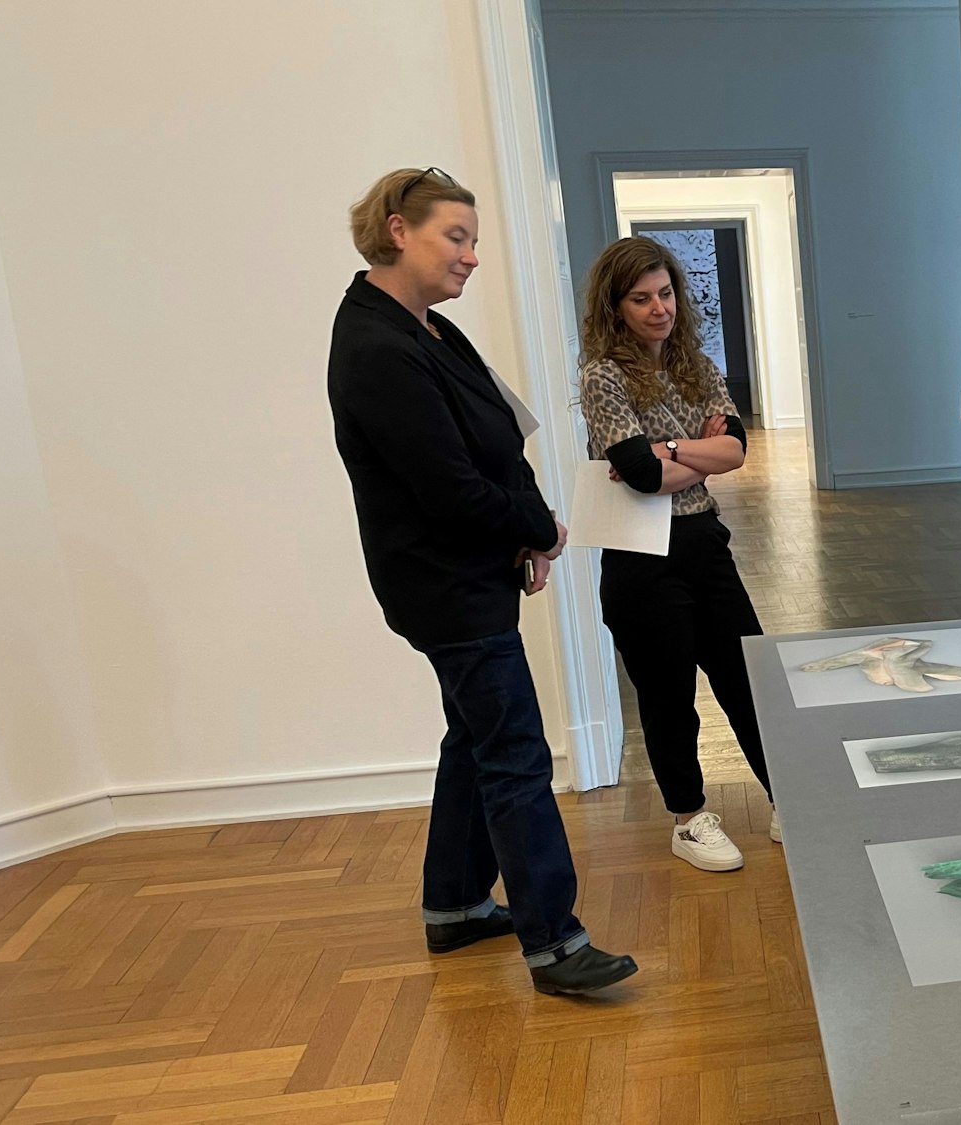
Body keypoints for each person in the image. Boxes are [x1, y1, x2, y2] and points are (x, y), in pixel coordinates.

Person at [327, 167, 636, 995]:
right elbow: (448, 485)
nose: (470, 258)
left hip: (474, 569)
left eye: (473, 242)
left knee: (473, 736)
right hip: (443, 584)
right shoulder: (375, 344)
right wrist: (536, 529)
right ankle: (554, 943)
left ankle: (455, 904)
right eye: (454, 238)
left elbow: (502, 435)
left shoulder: (429, 330)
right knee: (513, 750)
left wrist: (529, 528)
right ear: (399, 231)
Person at [576, 236, 777, 871]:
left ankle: (788, 797)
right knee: (668, 696)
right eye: (641, 299)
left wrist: (669, 450)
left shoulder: (697, 365)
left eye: (665, 294)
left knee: (747, 680)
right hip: (640, 555)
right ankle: (689, 820)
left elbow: (738, 450)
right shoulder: (603, 378)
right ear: (616, 308)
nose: (658, 308)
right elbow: (638, 475)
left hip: (702, 542)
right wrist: (694, 448)